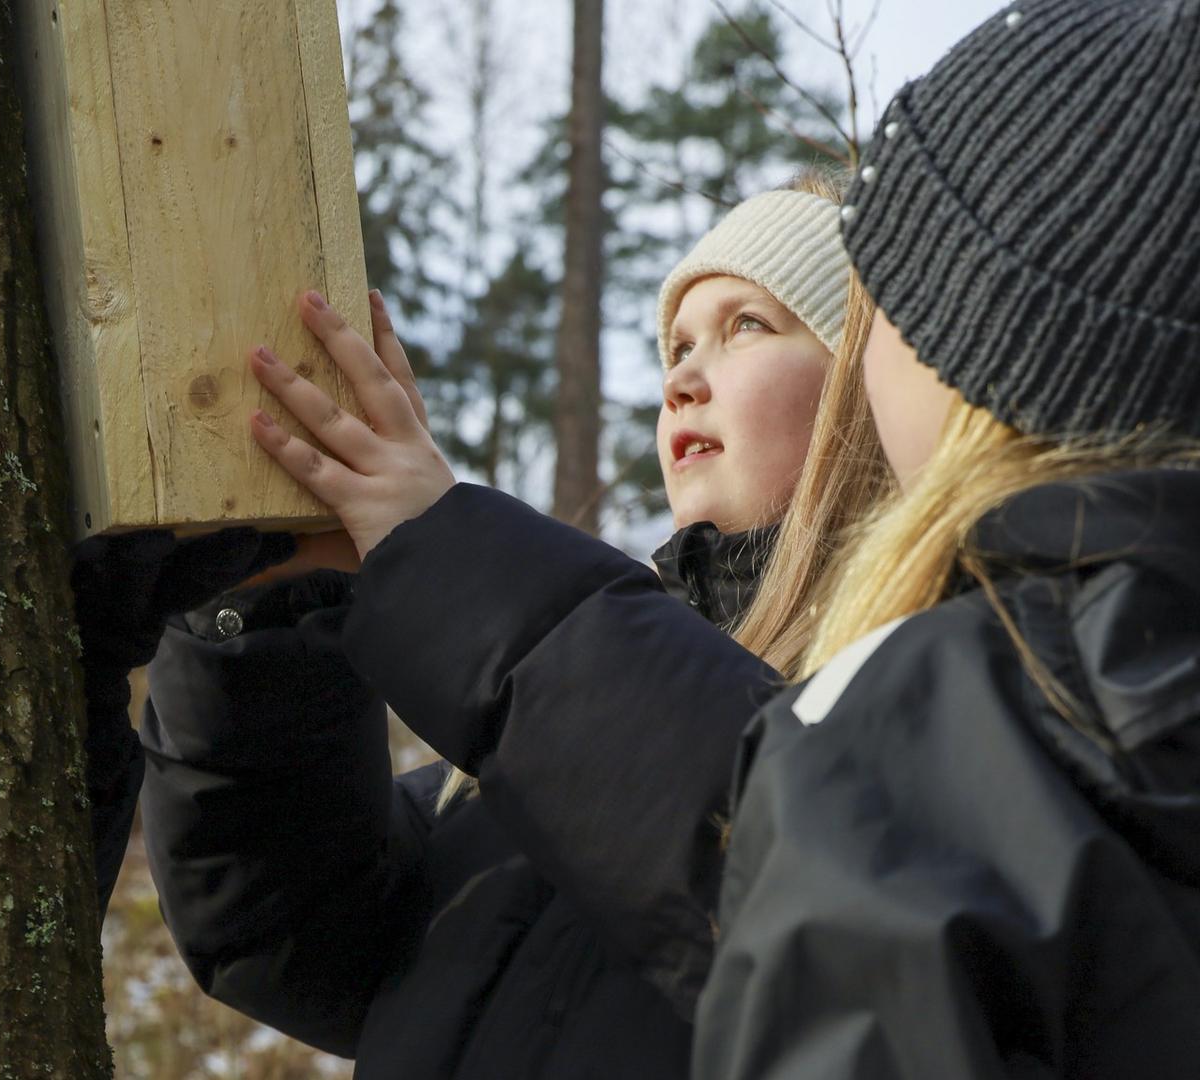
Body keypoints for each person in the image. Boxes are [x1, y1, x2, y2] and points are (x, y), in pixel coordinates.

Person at [109, 173, 891, 1076]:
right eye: (674, 346)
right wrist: (270, 610)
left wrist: (440, 551)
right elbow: (291, 936)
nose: (680, 378)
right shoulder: (526, 756)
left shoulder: (927, 678)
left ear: (870, 393)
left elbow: (794, 885)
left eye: (748, 325)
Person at [692, 1, 1200, 1075]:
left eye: (886, 294)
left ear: (965, 346)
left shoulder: (922, 724)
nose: (686, 375)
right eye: (673, 342)